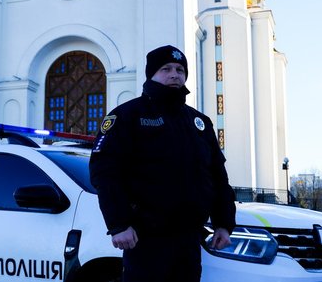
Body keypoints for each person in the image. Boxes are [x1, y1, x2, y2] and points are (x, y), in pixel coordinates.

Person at [89, 45, 236, 282]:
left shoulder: (199, 122)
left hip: (189, 240)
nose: (174, 75)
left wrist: (224, 223)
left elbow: (218, 176)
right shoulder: (128, 115)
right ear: (152, 74)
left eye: (180, 69)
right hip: (145, 238)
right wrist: (119, 224)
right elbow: (105, 172)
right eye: (166, 69)